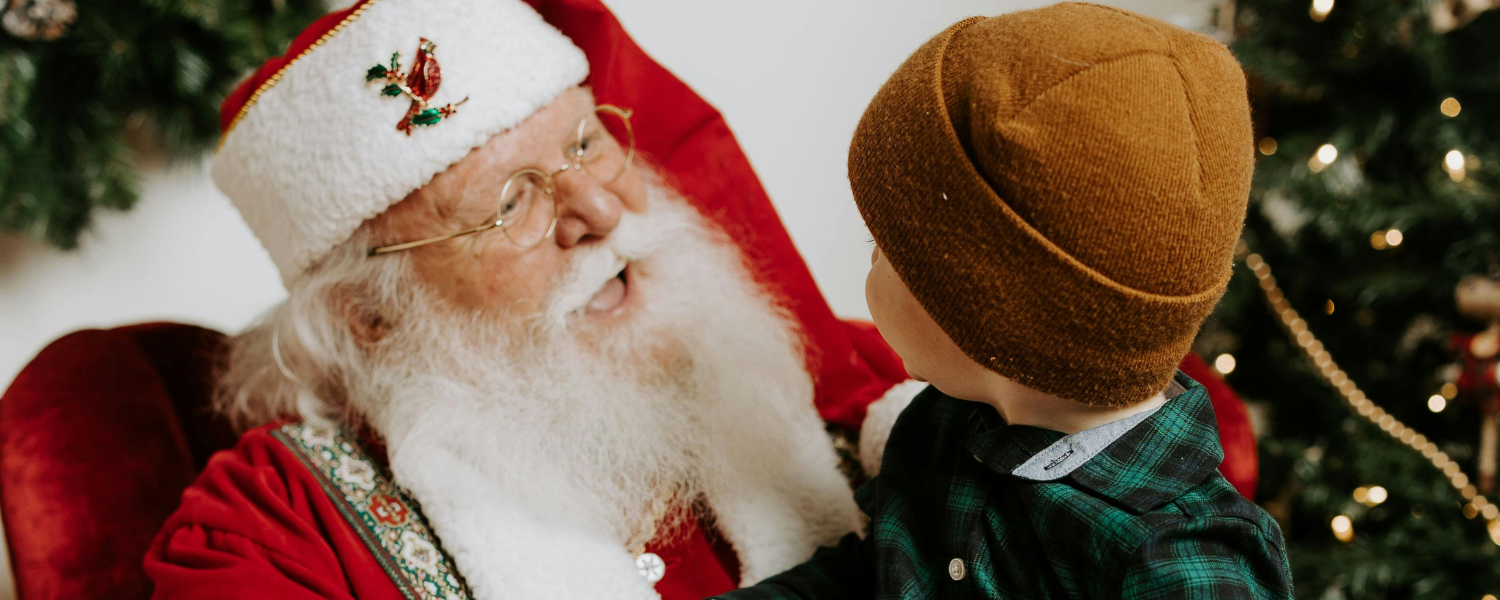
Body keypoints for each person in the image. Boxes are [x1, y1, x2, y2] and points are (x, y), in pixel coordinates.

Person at [141, 0, 914, 598]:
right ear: (371, 317)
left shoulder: (840, 371)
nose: (602, 212)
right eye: (510, 204)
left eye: (587, 143)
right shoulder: (272, 534)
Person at [710, 4, 1294, 599]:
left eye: (880, 245)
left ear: (979, 312)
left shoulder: (1178, 560)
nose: (869, 260)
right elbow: (870, 574)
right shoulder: (939, 427)